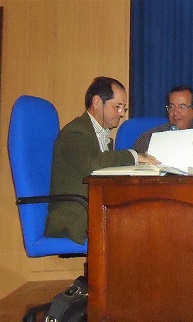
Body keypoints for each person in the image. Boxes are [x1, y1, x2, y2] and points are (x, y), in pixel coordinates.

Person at [45, 76, 160, 244]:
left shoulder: (101, 135)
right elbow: (94, 164)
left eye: (124, 108)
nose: (122, 114)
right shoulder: (75, 133)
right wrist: (134, 156)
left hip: (95, 210)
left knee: (149, 220)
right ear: (97, 102)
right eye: (117, 107)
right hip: (74, 217)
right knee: (143, 231)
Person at [133, 86, 193, 169]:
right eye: (171, 107)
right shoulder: (148, 138)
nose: (175, 112)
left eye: (182, 107)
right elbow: (131, 171)